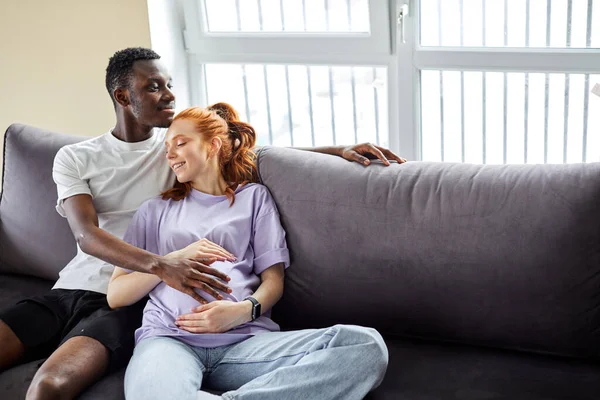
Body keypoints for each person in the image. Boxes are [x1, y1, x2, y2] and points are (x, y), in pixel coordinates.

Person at [0, 47, 404, 400]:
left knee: (364, 345)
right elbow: (90, 241)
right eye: (154, 86)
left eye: (169, 84)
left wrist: (335, 151)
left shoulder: (233, 187)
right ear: (124, 96)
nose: (169, 94)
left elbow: (242, 147)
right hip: (124, 311)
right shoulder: (116, 181)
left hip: (221, 332)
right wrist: (166, 263)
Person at [107, 103, 388, 400]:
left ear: (213, 145)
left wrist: (242, 312)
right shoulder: (154, 211)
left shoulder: (254, 198)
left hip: (245, 342)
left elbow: (273, 282)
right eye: (167, 148)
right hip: (169, 340)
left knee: (365, 345)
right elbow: (116, 294)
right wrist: (169, 263)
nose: (170, 154)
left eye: (181, 143)